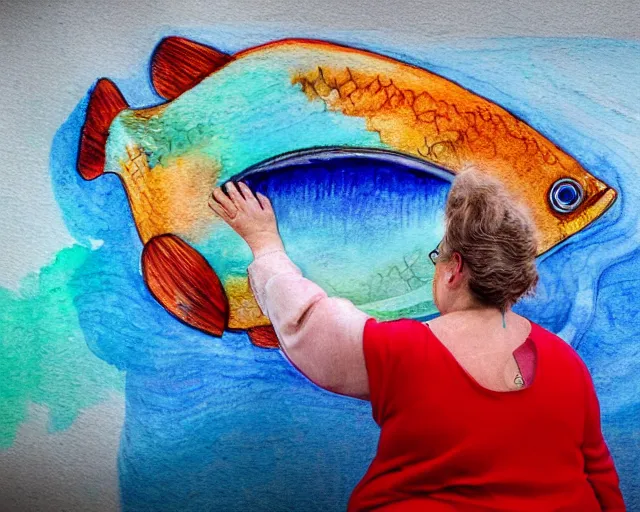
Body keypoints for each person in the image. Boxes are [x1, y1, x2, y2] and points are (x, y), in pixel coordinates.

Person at [208, 170, 625, 511]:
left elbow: (308, 324)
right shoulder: (566, 360)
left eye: (438, 254)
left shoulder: (404, 351)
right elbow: (600, 474)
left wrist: (265, 245)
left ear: (453, 269)